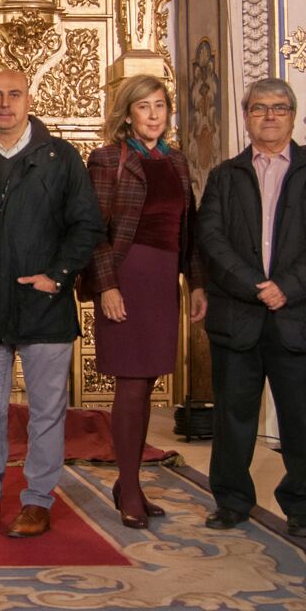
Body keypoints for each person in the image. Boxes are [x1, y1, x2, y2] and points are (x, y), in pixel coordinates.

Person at [196, 78, 306, 540]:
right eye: (260, 108)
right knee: (232, 418)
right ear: (246, 116)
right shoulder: (225, 176)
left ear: (292, 115)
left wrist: (288, 286)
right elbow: (211, 238)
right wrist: (254, 285)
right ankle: (231, 501)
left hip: (300, 316)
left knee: (303, 420)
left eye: (279, 108)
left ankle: (302, 509)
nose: (269, 116)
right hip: (239, 316)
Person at [0, 69, 103, 538]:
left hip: (43, 306)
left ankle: (38, 499)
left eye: (14, 95)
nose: (5, 104)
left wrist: (58, 276)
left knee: (45, 410)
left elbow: (87, 225)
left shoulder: (61, 158)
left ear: (28, 100)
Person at [82, 75, 207, 529]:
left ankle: (129, 482)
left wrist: (196, 283)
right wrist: (107, 285)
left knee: (148, 381)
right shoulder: (107, 159)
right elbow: (93, 229)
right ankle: (130, 487)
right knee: (131, 384)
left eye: (160, 106)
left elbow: (187, 230)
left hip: (162, 279)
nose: (153, 115)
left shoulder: (176, 161)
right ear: (127, 113)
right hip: (127, 276)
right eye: (144, 107)